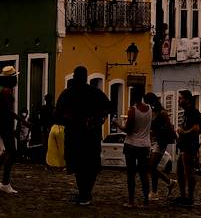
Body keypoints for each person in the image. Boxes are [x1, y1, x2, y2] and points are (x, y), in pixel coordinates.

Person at [55, 65, 112, 206]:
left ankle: (84, 193)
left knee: (79, 166)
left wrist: (71, 120)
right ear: (86, 77)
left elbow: (57, 116)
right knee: (91, 166)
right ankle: (86, 193)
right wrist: (97, 121)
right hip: (91, 136)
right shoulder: (96, 93)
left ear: (74, 77)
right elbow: (108, 109)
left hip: (75, 137)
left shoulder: (67, 94)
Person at [118, 91, 152, 207]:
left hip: (131, 144)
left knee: (131, 174)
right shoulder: (149, 109)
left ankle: (131, 201)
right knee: (144, 174)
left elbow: (128, 129)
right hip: (145, 145)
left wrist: (117, 124)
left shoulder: (133, 110)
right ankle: (146, 200)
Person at [173, 90, 201, 207]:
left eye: (180, 98)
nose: (178, 100)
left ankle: (189, 198)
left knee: (188, 172)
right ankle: (183, 196)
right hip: (183, 146)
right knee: (180, 172)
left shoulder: (194, 113)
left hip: (189, 146)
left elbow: (197, 128)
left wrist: (184, 132)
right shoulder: (186, 113)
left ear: (187, 100)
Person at [144, 93, 176, 200]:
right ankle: (154, 192)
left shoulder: (162, 113)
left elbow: (169, 127)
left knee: (151, 166)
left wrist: (174, 137)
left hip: (160, 142)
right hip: (152, 141)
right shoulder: (152, 112)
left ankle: (169, 181)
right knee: (153, 168)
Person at [0, 66, 26, 194]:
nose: (17, 79)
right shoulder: (6, 92)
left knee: (6, 153)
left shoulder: (5, 91)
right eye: (15, 77)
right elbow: (8, 112)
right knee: (12, 153)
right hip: (5, 126)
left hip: (4, 125)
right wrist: (23, 121)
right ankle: (5, 182)